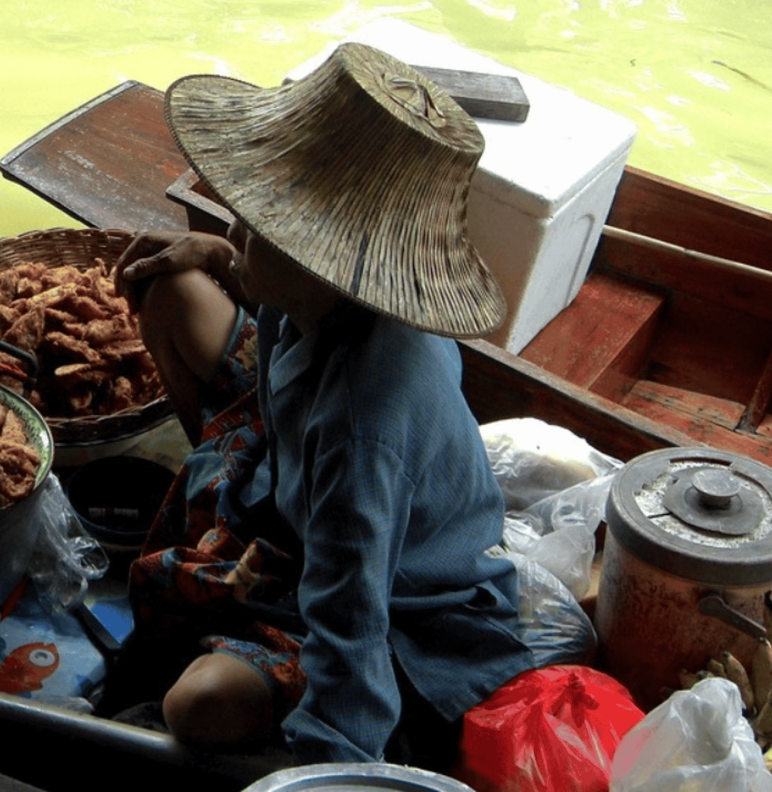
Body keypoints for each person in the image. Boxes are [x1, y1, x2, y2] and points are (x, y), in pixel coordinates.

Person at [108, 43, 535, 769]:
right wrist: (219, 257)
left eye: (259, 231)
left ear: (323, 261)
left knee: (196, 703)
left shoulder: (360, 430)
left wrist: (330, 768)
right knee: (172, 288)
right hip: (292, 478)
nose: (238, 232)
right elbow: (254, 287)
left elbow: (350, 629)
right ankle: (238, 530)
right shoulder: (318, 299)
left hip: (402, 609)